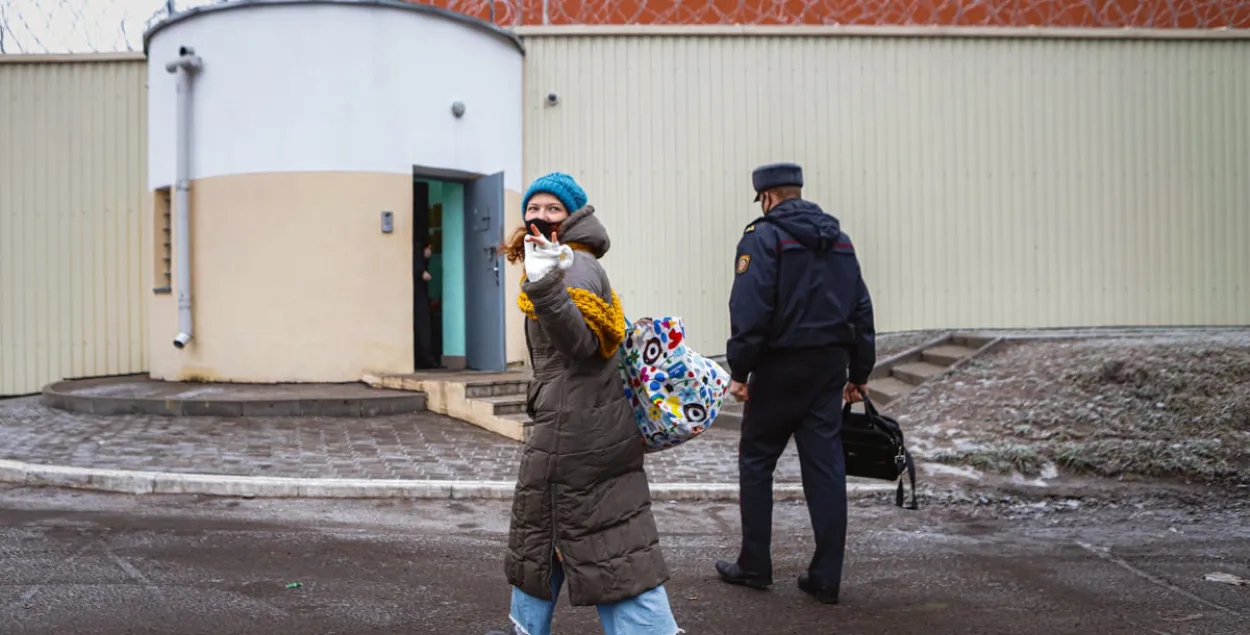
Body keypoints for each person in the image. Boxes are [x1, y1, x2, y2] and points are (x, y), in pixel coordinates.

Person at [485, 172, 681, 635]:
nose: (540, 216)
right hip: (582, 421)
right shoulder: (569, 260)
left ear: (572, 216)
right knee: (549, 535)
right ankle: (526, 627)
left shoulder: (570, 266)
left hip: (577, 431)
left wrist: (546, 285)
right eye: (533, 208)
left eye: (553, 209)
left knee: (607, 544)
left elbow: (581, 344)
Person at [714, 162, 876, 606]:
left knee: (757, 460)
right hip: (828, 371)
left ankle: (754, 565)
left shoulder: (763, 237)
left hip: (778, 368)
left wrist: (740, 371)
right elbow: (862, 307)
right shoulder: (840, 240)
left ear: (766, 197)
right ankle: (826, 577)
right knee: (825, 469)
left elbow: (749, 307)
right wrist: (859, 374)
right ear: (798, 192)